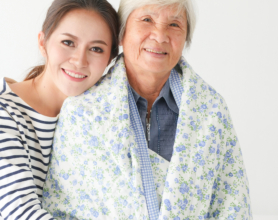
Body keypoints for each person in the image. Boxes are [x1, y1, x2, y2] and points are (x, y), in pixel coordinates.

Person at [42, 0, 252, 219]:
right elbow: (61, 208)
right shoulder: (82, 112)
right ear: (122, 34)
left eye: (174, 25)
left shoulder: (211, 111)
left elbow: (234, 205)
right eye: (147, 20)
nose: (160, 36)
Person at [0, 0, 120, 219]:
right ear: (43, 43)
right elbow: (22, 214)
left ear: (110, 61)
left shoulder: (91, 117)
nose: (79, 60)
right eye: (68, 42)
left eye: (96, 49)